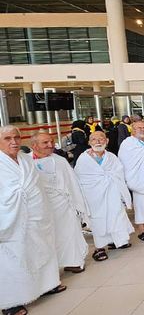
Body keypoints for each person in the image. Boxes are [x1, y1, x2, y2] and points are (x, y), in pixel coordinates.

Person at [1, 126, 66, 315]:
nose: (13, 142)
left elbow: (36, 186)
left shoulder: (25, 160)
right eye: (7, 138)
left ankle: (47, 285)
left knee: (41, 250)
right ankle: (12, 302)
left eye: (16, 137)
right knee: (12, 259)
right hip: (9, 219)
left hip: (35, 215)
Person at [31, 132, 88, 274]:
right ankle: (51, 270)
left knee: (69, 234)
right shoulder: (27, 162)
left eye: (51, 141)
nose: (50, 145)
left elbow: (72, 183)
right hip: (41, 208)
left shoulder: (60, 160)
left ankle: (73, 261)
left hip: (64, 206)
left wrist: (78, 204)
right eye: (45, 143)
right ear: (34, 145)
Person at [74, 131, 135, 262]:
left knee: (116, 216)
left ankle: (116, 241)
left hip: (112, 194)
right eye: (94, 140)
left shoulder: (112, 157)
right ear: (89, 142)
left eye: (101, 139)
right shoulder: (83, 159)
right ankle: (99, 248)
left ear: (106, 141)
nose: (98, 142)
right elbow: (79, 179)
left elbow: (119, 175)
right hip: (93, 197)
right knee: (98, 221)